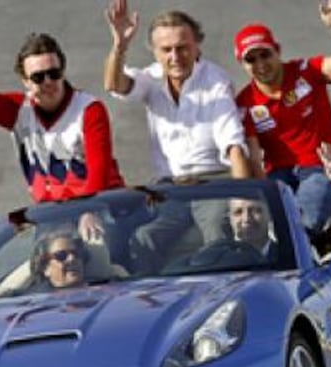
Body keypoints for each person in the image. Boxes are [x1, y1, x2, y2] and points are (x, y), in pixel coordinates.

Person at [104, 0, 251, 272]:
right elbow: (115, 84)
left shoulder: (215, 81)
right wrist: (120, 46)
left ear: (197, 46)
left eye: (182, 48)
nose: (175, 57)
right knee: (142, 239)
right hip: (169, 189)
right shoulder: (152, 77)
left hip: (213, 183)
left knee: (217, 240)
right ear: (155, 52)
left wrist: (242, 197)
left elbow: (234, 146)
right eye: (166, 50)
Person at [0, 21, 124, 203]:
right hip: (55, 216)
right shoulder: (20, 110)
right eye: (38, 77)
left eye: (54, 73)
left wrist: (88, 212)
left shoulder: (89, 110)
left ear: (63, 72)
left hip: (105, 208)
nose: (48, 82)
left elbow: (98, 174)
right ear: (25, 81)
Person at [234, 0, 331, 243]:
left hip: (320, 167)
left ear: (278, 50)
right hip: (279, 176)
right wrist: (261, 199)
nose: (261, 64)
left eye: (265, 54)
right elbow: (254, 158)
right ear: (242, 64)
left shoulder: (307, 71)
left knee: (306, 222)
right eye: (251, 60)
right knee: (273, 229)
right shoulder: (245, 102)